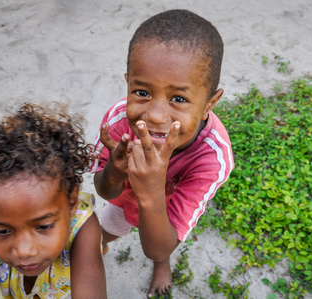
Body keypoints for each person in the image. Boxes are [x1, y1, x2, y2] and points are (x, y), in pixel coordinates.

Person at [91, 9, 234, 298]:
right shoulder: (119, 122)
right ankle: (100, 243)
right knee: (109, 226)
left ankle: (162, 266)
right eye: (142, 92)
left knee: (161, 245)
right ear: (128, 82)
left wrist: (151, 190)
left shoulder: (211, 159)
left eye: (178, 99)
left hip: (164, 218)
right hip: (124, 201)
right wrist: (114, 173)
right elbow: (105, 191)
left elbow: (158, 244)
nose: (155, 116)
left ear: (209, 103)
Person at [0, 103, 107, 299]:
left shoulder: (82, 227)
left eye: (43, 226)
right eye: (2, 231)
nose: (24, 251)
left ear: (72, 202)